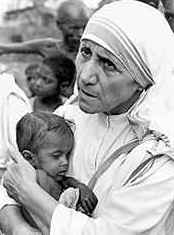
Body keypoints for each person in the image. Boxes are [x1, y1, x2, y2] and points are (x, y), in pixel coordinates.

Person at [2, 1, 174, 235]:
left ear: (143, 79)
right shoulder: (70, 115)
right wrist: (16, 226)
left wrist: (30, 195)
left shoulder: (157, 156)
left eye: (109, 64)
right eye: (86, 52)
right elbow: (15, 175)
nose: (85, 76)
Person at [16, 111, 97, 228]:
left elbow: (65, 181)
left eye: (67, 154)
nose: (65, 162)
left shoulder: (52, 176)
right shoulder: (31, 179)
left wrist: (80, 187)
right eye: (56, 156)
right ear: (29, 157)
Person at [0, 0, 89, 62]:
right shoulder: (48, 47)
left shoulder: (91, 54)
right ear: (59, 25)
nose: (81, 33)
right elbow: (4, 49)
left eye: (84, 27)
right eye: (74, 28)